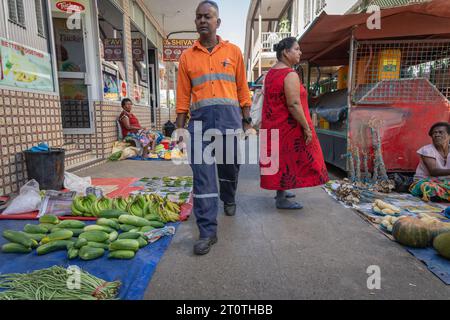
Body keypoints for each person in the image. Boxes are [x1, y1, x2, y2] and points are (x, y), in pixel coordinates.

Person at [175, 0, 253, 255]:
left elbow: (243, 88)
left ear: (217, 22)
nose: (202, 21)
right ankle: (208, 231)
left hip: (230, 120)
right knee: (203, 177)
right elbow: (183, 97)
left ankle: (229, 197)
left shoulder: (234, 52)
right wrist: (179, 129)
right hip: (199, 125)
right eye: (198, 17)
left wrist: (246, 119)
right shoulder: (187, 57)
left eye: (207, 16)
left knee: (230, 167)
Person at [259, 37, 329, 209]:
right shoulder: (289, 74)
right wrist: (306, 127)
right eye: (296, 49)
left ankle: (281, 192)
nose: (300, 52)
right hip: (287, 126)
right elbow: (294, 103)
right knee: (293, 159)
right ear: (285, 52)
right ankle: (281, 200)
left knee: (281, 159)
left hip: (273, 124)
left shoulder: (271, 74)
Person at [410, 122, 450, 202]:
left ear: (449, 135)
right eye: (434, 133)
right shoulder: (427, 150)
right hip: (426, 181)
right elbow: (433, 171)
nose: (437, 135)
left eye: (440, 132)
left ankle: (442, 196)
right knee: (428, 187)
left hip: (445, 182)